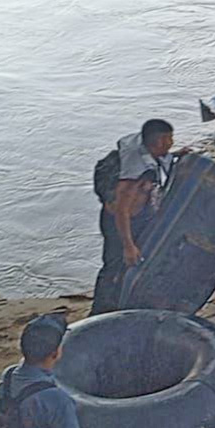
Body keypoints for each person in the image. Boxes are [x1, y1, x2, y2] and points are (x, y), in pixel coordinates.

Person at [91, 118, 177, 316]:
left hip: (140, 215)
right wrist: (128, 246)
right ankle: (99, 313)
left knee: (140, 261)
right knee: (114, 266)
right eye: (170, 139)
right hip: (119, 221)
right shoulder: (133, 175)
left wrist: (175, 156)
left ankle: (126, 301)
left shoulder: (144, 150)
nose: (172, 143)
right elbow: (122, 210)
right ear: (160, 141)